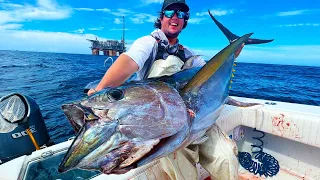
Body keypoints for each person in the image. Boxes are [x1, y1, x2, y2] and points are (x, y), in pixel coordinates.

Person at [88, 0, 244, 179]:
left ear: (185, 21)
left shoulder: (188, 54)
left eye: (181, 14)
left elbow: (210, 74)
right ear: (161, 17)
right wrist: (101, 90)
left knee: (226, 158)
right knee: (185, 174)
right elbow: (129, 61)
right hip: (164, 126)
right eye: (170, 13)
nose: (175, 17)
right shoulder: (148, 43)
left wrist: (233, 53)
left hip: (199, 118)